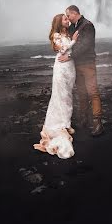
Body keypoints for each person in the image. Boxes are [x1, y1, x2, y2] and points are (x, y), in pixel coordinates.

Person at [33, 13, 80, 159]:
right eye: (65, 19)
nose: (68, 20)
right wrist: (73, 41)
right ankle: (61, 125)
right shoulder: (56, 34)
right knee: (61, 96)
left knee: (68, 96)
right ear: (59, 23)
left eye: (67, 18)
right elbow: (62, 49)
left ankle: (67, 122)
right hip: (61, 68)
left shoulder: (68, 32)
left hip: (70, 67)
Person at [62, 5, 104, 136]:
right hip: (77, 64)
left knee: (93, 92)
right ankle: (83, 120)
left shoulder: (87, 25)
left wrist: (69, 56)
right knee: (81, 92)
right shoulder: (73, 27)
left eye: (68, 16)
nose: (68, 18)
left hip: (87, 64)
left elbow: (86, 45)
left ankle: (98, 124)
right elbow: (69, 43)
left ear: (74, 13)